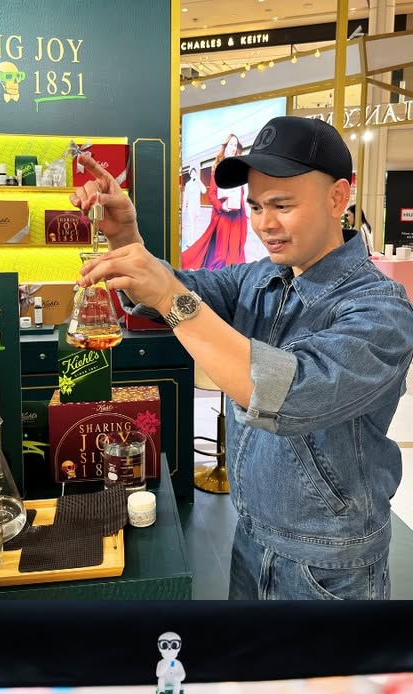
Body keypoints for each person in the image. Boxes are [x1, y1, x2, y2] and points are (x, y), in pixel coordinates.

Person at [72, 115, 413, 599]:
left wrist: (173, 298)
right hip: (250, 538)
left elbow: (287, 394)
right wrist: (126, 239)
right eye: (254, 206)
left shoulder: (380, 310)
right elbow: (182, 288)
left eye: (282, 205)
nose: (264, 224)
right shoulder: (259, 278)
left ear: (338, 197)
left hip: (328, 566)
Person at [181, 134, 248, 269]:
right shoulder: (217, 166)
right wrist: (221, 205)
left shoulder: (240, 166)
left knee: (235, 255)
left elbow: (243, 190)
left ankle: (233, 283)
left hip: (237, 216)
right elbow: (211, 194)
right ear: (226, 146)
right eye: (231, 144)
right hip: (223, 216)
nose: (233, 148)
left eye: (235, 145)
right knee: (221, 256)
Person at [181, 165, 207, 247]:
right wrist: (184, 209)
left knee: (196, 224)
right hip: (191, 207)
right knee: (192, 224)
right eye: (192, 172)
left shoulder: (198, 183)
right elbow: (185, 198)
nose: (193, 173)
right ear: (190, 174)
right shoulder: (188, 184)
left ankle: (194, 241)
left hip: (197, 207)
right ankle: (190, 242)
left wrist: (199, 181)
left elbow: (204, 191)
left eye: (194, 172)